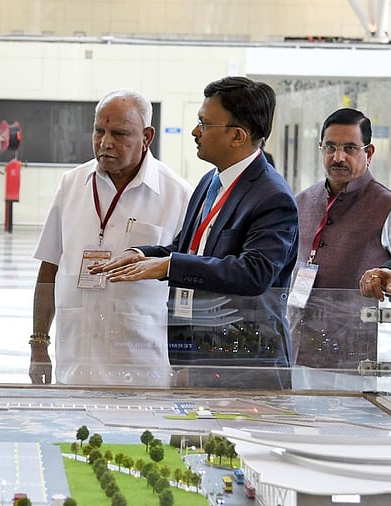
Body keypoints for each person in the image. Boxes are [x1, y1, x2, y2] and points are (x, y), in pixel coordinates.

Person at [96, 76, 299, 389]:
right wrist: (142, 255)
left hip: (245, 366)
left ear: (238, 136)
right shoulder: (210, 182)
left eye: (204, 123)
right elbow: (188, 249)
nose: (194, 131)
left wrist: (170, 266)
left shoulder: (272, 197)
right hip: (198, 357)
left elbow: (255, 273)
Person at [30, 90, 192, 387]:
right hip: (76, 368)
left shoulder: (177, 195)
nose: (105, 142)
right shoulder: (71, 185)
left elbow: (187, 288)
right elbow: (49, 268)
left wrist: (185, 363)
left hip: (142, 372)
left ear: (147, 137)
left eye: (119, 134)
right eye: (99, 131)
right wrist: (38, 344)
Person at [291, 108, 391, 375]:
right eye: (330, 147)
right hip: (296, 347)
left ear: (369, 153)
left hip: (353, 357)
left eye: (350, 148)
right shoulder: (302, 201)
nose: (338, 157)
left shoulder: (386, 205)